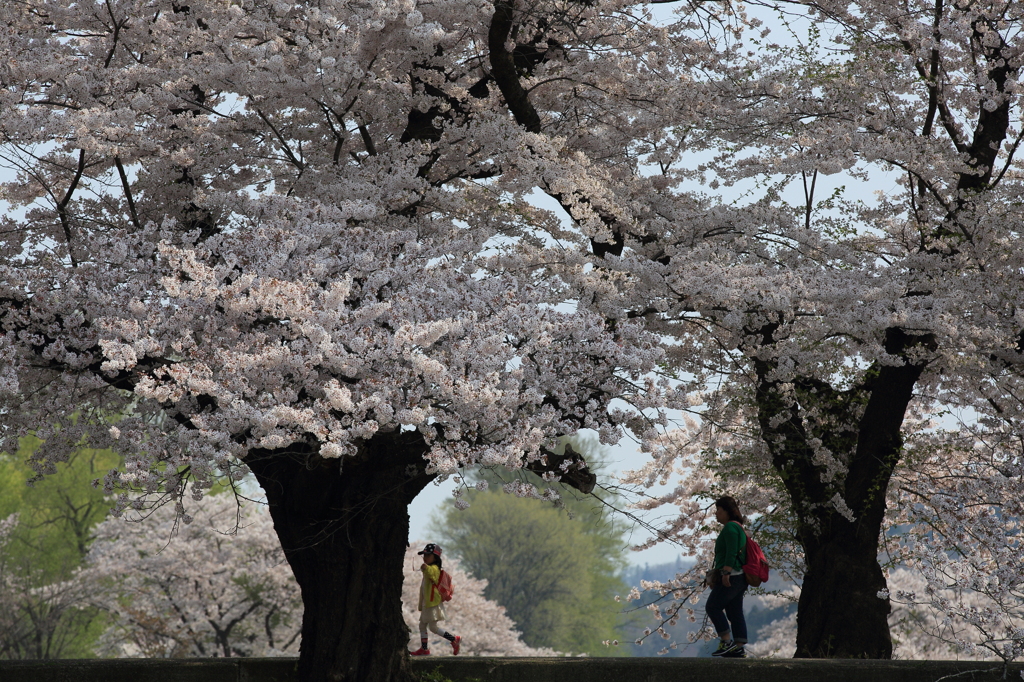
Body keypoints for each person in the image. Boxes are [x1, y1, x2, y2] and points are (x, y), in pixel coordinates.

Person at [706, 496, 749, 658]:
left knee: (712, 606)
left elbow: (732, 551)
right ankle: (738, 646)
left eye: (719, 510)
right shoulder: (738, 527)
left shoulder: (730, 527)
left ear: (727, 511)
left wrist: (726, 573)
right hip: (740, 577)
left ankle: (726, 641)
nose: (716, 513)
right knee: (734, 611)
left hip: (732, 575)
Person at [409, 543, 461, 656]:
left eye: (428, 555)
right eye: (424, 555)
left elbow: (431, 573)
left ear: (435, 557)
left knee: (432, 627)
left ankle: (453, 639)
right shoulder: (429, 569)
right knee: (423, 626)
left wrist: (425, 568)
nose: (425, 557)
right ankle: (425, 648)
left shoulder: (435, 568)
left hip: (432, 603)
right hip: (428, 602)